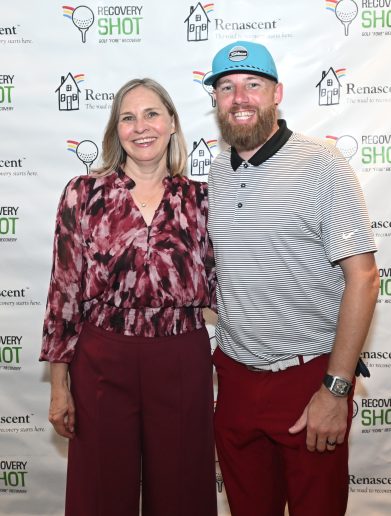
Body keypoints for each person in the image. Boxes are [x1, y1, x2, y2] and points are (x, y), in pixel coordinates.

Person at [205, 41, 380, 516]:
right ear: (216, 99)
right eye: (227, 87)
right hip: (236, 379)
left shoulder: (322, 163)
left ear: (277, 93)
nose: (240, 98)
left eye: (253, 84)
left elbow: (364, 278)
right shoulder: (217, 172)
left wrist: (335, 389)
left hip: (307, 381)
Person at [40, 78, 218, 516]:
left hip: (181, 355)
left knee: (183, 494)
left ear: (172, 123)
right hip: (103, 357)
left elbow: (229, 288)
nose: (141, 127)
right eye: (128, 117)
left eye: (152, 114)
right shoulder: (83, 194)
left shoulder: (202, 199)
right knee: (100, 494)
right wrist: (59, 386)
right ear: (115, 130)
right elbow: (64, 291)